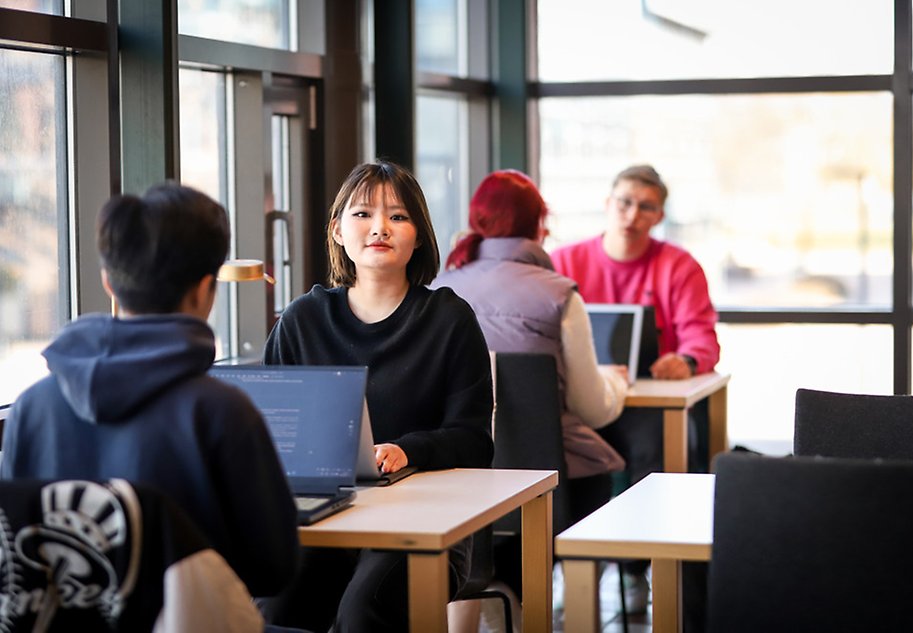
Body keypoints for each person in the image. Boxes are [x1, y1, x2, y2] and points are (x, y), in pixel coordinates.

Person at [0, 184, 300, 604]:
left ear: (109, 282)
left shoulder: (31, 408)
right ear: (204, 289)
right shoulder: (221, 411)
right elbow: (274, 568)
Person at [261, 160, 495, 633]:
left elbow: (474, 440)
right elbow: (272, 431)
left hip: (428, 522)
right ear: (338, 230)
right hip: (325, 518)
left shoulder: (450, 320)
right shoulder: (302, 319)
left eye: (399, 217)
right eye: (363, 214)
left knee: (364, 611)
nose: (380, 228)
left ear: (419, 236)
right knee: (274, 607)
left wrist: (408, 449)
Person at [550, 164, 719, 622]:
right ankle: (574, 564)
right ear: (608, 204)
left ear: (659, 215)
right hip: (583, 401)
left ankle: (640, 565)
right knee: (557, 453)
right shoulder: (565, 262)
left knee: (655, 450)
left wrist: (683, 361)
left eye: (646, 206)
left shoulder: (677, 265)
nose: (632, 214)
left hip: (645, 401)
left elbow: (703, 339)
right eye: (624, 202)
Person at [432, 169, 627, 523]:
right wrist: (616, 381)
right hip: (547, 484)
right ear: (539, 224)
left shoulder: (436, 291)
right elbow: (593, 409)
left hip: (455, 482)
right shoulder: (559, 295)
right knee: (603, 465)